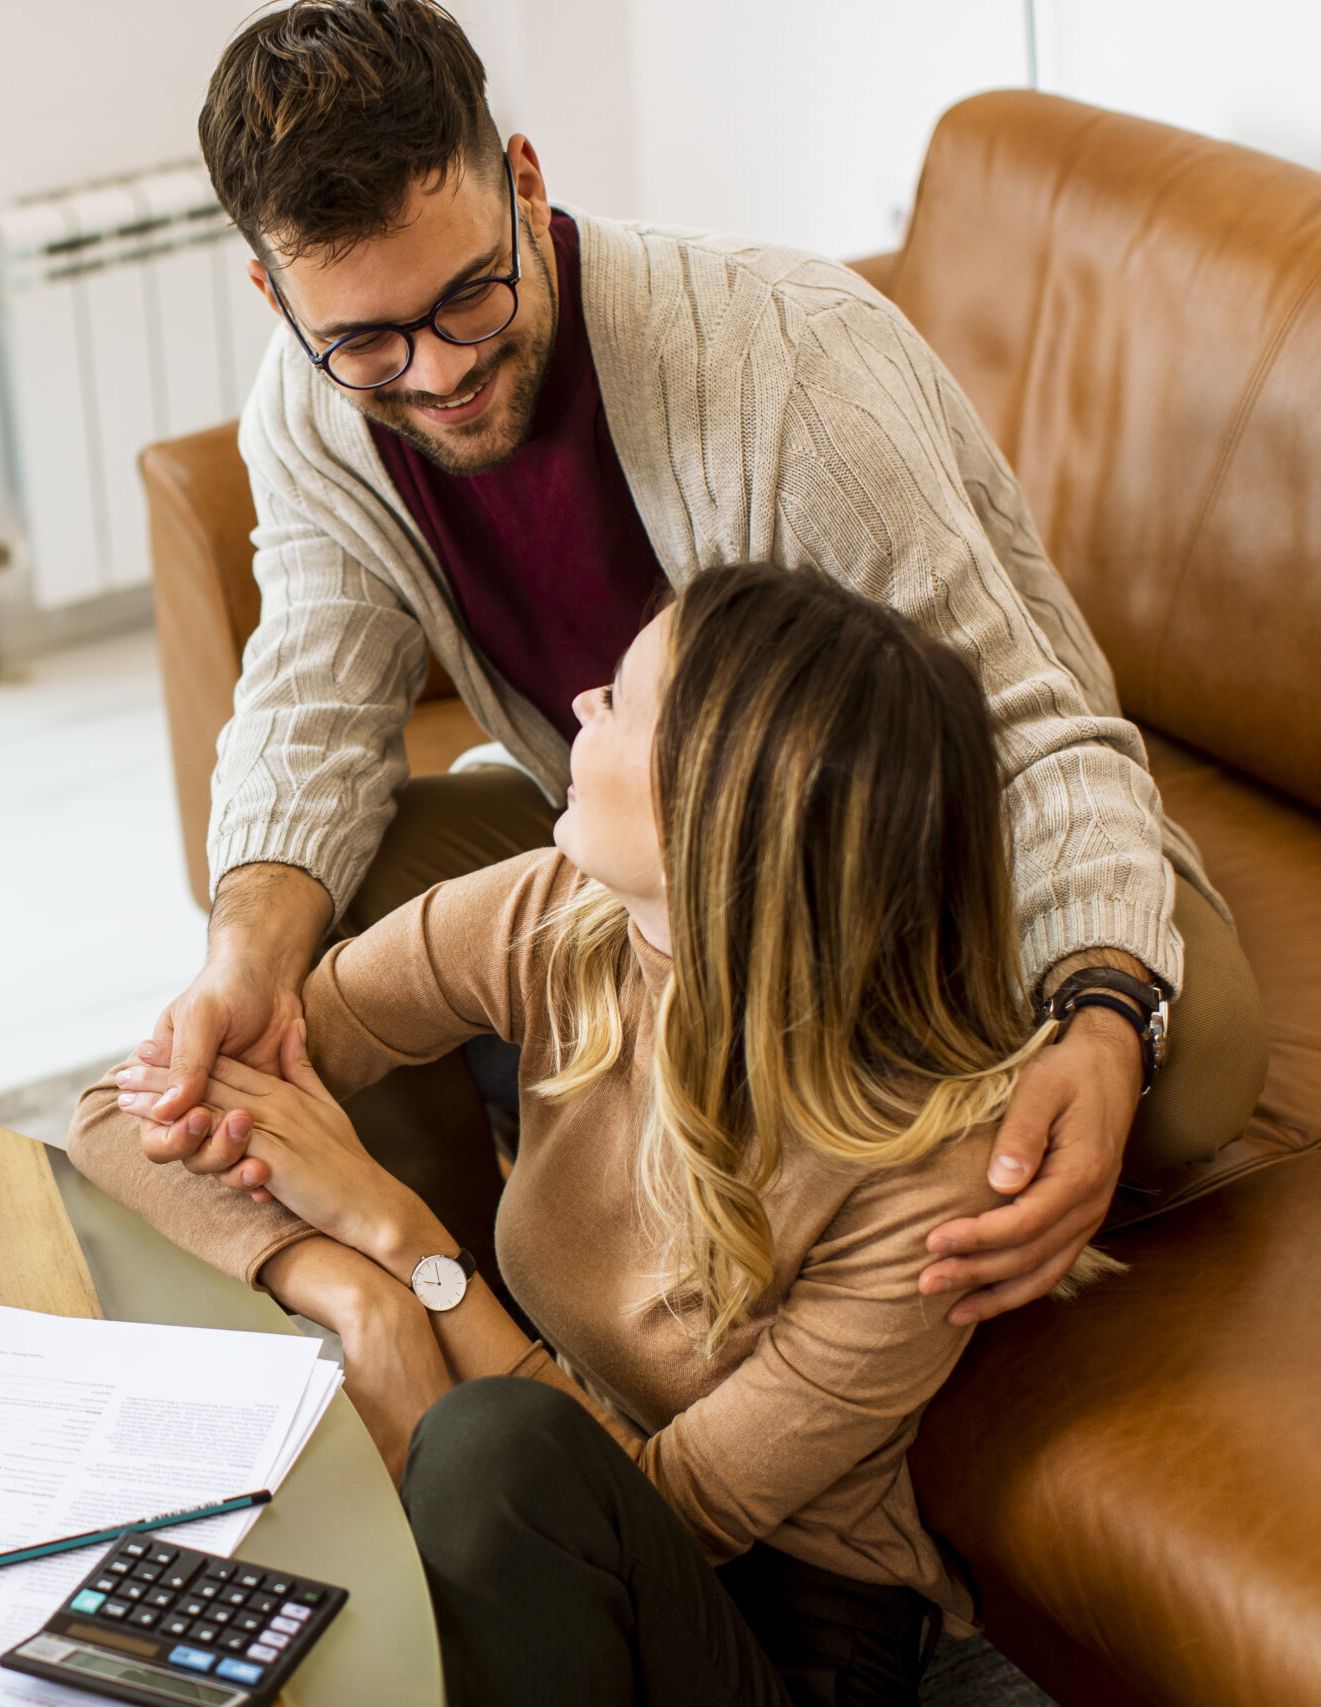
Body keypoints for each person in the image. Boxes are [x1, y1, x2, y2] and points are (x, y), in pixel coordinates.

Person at [138, 0, 1266, 1324]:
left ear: (526, 182)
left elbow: (1022, 725)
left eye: (467, 296)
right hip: (664, 880)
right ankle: (466, 1317)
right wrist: (243, 957)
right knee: (321, 903)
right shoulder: (313, 418)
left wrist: (1102, 1007)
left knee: (1193, 1084)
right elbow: (309, 707)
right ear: (276, 297)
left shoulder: (784, 357)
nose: (437, 372)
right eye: (368, 342)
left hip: (906, 862)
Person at [78, 566, 1100, 1705]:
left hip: (783, 1632)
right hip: (557, 1532)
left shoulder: (928, 1181)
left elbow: (672, 1514)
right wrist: (353, 1292)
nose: (578, 706)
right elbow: (113, 1120)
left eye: (619, 698)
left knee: (489, 1451)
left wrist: (400, 1240)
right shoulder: (559, 919)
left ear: (709, 811)